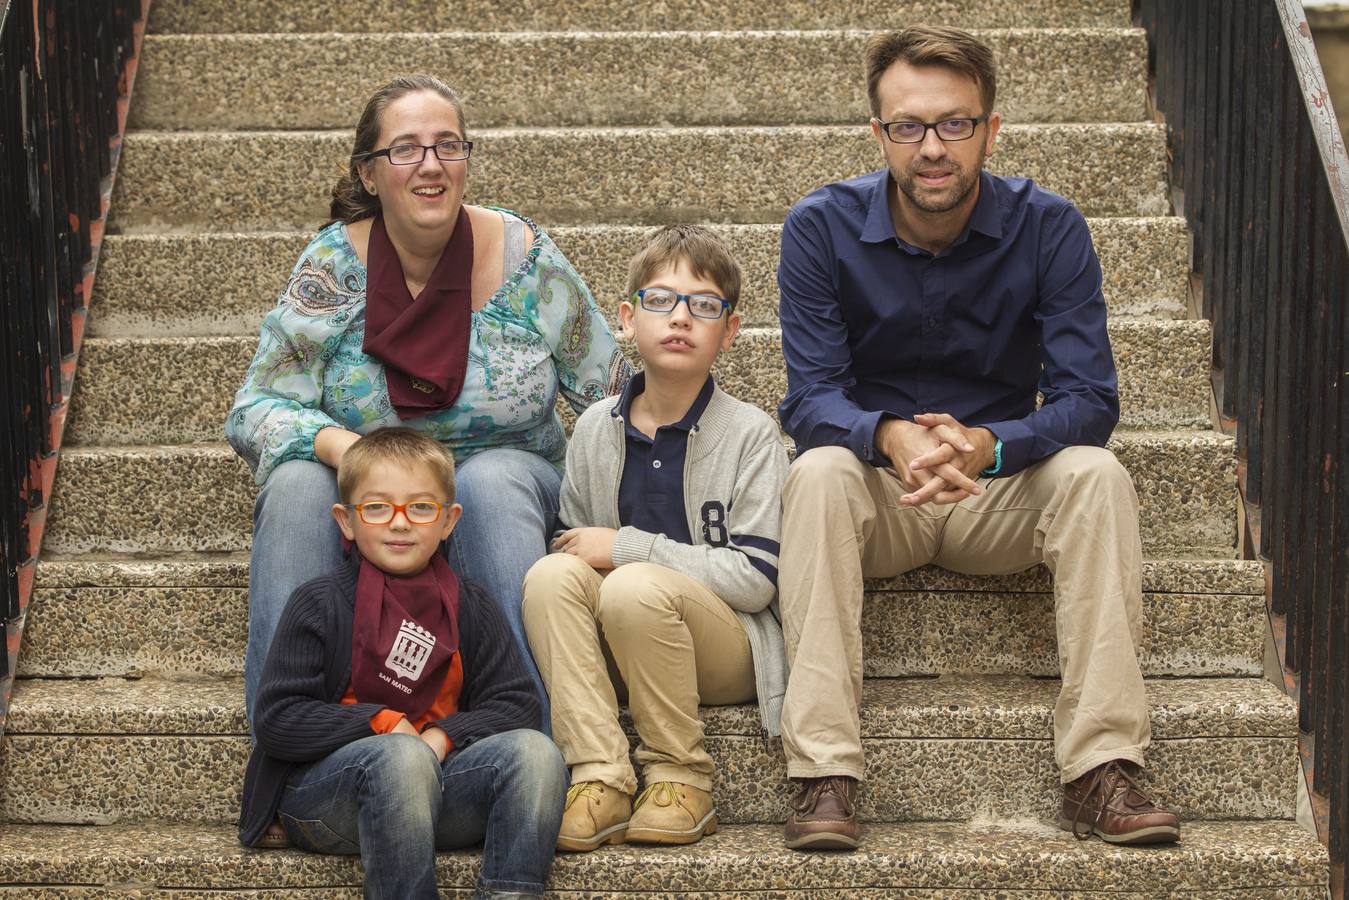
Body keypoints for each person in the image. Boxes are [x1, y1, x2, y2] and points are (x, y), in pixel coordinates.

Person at [774, 26, 1180, 851]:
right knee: (815, 472)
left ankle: (1101, 768)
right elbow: (809, 399)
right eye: (908, 126)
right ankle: (823, 771)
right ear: (877, 132)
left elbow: (1088, 399)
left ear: (990, 129)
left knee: (1097, 474)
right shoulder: (818, 227)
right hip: (876, 491)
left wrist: (989, 445)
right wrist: (886, 435)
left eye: (954, 124)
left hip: (999, 487)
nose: (931, 148)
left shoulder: (1049, 226)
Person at [226, 74, 630, 727]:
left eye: (449, 145)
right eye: (406, 149)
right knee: (300, 486)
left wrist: (635, 527)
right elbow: (255, 407)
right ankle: (291, 758)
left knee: (490, 479)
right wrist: (349, 449)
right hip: (374, 503)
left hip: (501, 504)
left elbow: (612, 400)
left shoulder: (526, 259)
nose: (431, 165)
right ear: (367, 173)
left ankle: (537, 743)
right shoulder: (332, 267)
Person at [521, 226, 789, 851]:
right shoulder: (592, 429)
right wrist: (608, 556)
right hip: (623, 637)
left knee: (634, 583)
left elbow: (756, 580)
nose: (680, 318)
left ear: (730, 331)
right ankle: (600, 777)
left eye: (704, 305)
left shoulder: (751, 435)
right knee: (549, 575)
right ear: (627, 318)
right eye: (661, 300)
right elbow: (575, 549)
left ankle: (679, 778)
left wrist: (628, 548)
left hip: (726, 647)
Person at [238, 427, 567, 899]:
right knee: (400, 755)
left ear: (449, 521)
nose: (399, 523)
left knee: (537, 754)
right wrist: (382, 721)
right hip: (327, 801)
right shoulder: (319, 603)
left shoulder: (470, 605)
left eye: (420, 507)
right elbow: (278, 720)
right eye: (376, 507)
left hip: (439, 791)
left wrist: (443, 735)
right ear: (346, 521)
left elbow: (516, 704)